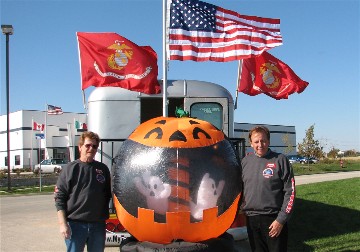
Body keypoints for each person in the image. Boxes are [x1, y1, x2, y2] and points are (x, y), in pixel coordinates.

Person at [54, 131, 112, 252]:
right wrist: (62, 224)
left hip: (98, 225)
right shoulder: (70, 169)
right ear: (80, 147)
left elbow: (109, 194)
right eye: (88, 145)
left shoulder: (103, 169)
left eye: (95, 146)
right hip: (75, 225)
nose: (91, 148)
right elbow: (60, 198)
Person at [241, 126, 295, 252]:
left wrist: (281, 220)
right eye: (256, 141)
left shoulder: (280, 160)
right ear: (251, 143)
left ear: (269, 141)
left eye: (263, 141)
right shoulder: (245, 161)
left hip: (273, 220)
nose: (260, 144)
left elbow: (290, 192)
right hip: (252, 219)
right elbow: (241, 188)